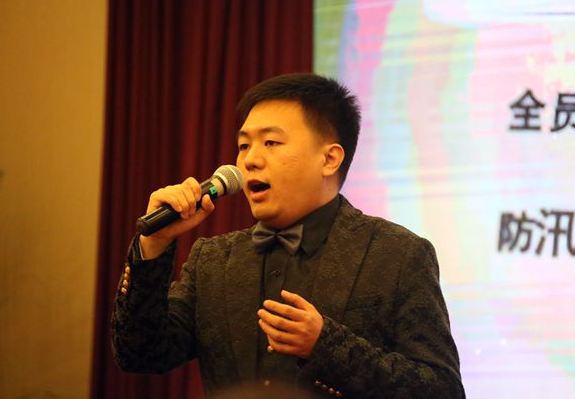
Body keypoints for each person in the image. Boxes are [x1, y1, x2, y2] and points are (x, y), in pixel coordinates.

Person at [112, 73, 465, 398]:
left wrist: (325, 346)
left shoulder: (397, 254)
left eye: (271, 142)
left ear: (329, 159)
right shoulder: (213, 259)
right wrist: (154, 244)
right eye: (244, 145)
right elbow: (140, 353)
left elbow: (442, 389)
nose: (249, 161)